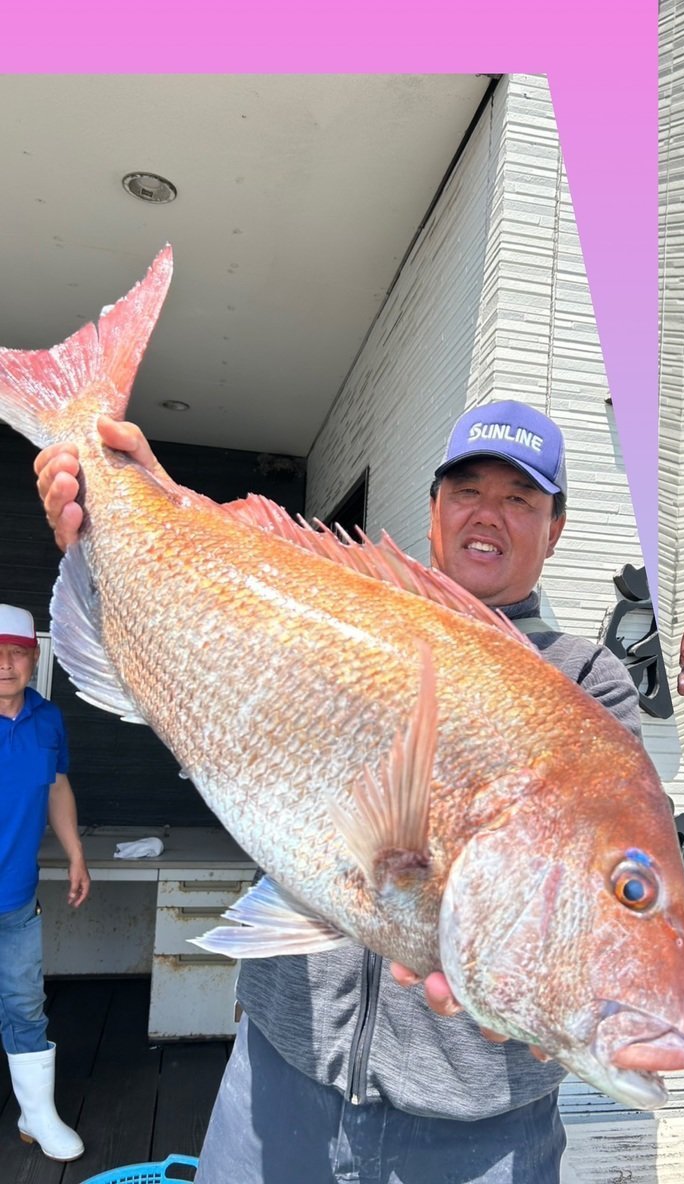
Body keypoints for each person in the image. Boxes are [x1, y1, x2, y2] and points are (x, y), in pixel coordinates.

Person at [33, 399, 645, 1183]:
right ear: (434, 508)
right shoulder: (332, 607)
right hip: (280, 1079)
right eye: (467, 491)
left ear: (555, 529)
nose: (488, 514)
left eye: (520, 498)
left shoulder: (586, 689)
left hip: (480, 1134)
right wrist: (139, 507)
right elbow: (217, 609)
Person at [1, 603, 90, 1163]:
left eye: (17, 653)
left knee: (25, 1004)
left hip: (15, 898)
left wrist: (76, 853)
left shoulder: (47, 718)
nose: (5, 665)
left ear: (35, 659)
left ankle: (35, 1115)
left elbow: (56, 787)